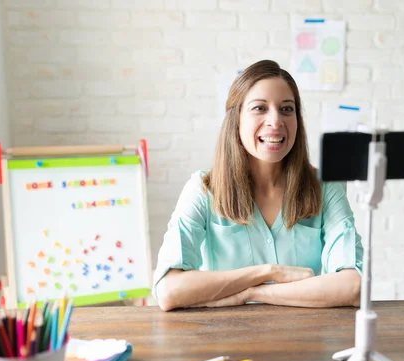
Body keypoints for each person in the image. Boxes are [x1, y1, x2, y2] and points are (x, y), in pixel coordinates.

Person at [153, 59, 363, 311]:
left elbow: (353, 286)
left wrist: (254, 293)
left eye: (287, 109)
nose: (275, 121)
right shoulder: (203, 188)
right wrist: (266, 272)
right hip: (226, 341)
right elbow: (169, 291)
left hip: (304, 341)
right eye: (259, 108)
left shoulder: (326, 187)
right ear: (237, 119)